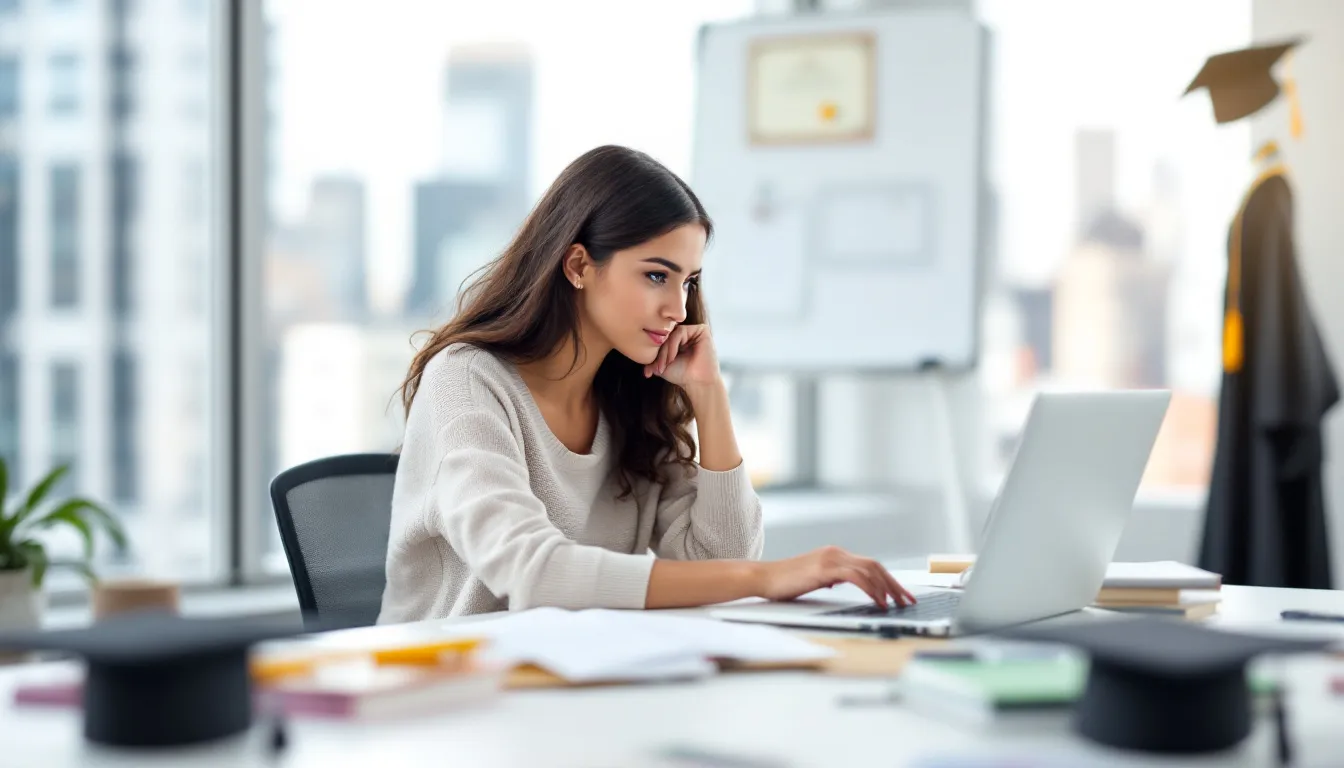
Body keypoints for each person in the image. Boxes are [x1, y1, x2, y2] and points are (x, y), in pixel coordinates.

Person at [376, 145, 915, 623]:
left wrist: (710, 397)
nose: (677, 307)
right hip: (444, 695)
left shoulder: (629, 396)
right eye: (657, 275)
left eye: (689, 281)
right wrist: (764, 579)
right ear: (580, 265)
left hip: (572, 682)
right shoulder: (466, 380)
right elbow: (535, 573)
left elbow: (718, 561)